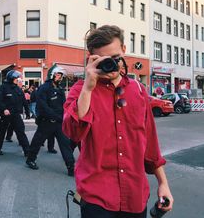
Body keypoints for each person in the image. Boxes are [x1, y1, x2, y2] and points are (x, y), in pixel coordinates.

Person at [62, 25, 173, 217]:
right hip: (97, 196)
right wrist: (88, 89)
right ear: (92, 58)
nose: (111, 65)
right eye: (103, 60)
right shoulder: (81, 90)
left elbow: (150, 143)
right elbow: (73, 132)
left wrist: (163, 183)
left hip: (135, 196)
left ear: (123, 49)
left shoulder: (138, 90)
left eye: (114, 59)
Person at [26, 66, 75, 176]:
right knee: (37, 141)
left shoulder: (60, 89)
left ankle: (70, 166)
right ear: (52, 75)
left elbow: (64, 104)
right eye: (57, 75)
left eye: (60, 75)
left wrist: (65, 115)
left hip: (59, 122)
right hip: (46, 121)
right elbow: (42, 106)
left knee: (65, 144)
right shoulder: (44, 88)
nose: (59, 77)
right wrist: (53, 115)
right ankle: (30, 159)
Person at [0, 70, 31, 156]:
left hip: (16, 114)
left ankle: (27, 151)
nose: (17, 80)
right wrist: (4, 109)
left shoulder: (18, 89)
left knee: (21, 131)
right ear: (11, 78)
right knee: (2, 131)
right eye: (15, 78)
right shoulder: (3, 87)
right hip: (6, 114)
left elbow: (24, 101)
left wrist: (27, 112)